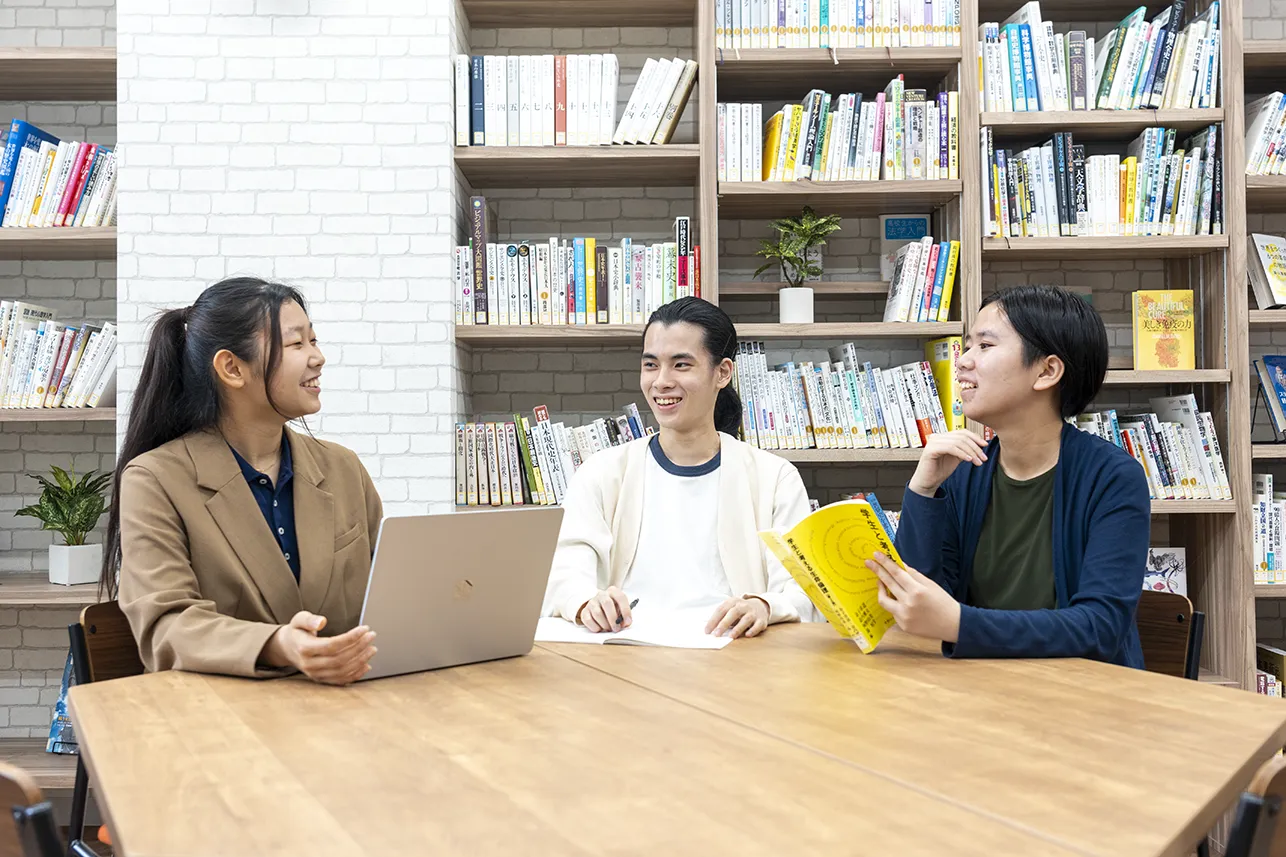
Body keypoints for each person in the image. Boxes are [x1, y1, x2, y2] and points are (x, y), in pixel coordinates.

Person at [103, 277, 382, 684]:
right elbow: (168, 627)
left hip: (340, 709)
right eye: (297, 344)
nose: (317, 357)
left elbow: (388, 596)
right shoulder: (154, 479)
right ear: (232, 368)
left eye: (314, 341)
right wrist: (277, 643)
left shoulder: (343, 468)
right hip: (220, 723)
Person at [867, 284, 1149, 666]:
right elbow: (918, 602)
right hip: (979, 689)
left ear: (1047, 370)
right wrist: (924, 489)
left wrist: (960, 624)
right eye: (968, 346)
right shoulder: (965, 470)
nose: (963, 361)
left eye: (984, 346)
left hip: (1084, 699)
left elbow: (1099, 628)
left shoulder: (1113, 477)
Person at [541, 297, 816, 639]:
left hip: (736, 659)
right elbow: (564, 573)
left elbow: (802, 592)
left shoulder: (775, 478)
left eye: (681, 365)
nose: (661, 382)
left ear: (722, 373)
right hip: (623, 659)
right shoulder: (602, 472)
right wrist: (585, 602)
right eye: (651, 365)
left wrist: (764, 605)